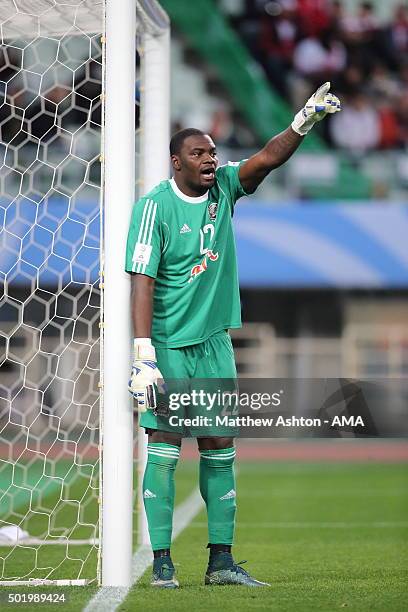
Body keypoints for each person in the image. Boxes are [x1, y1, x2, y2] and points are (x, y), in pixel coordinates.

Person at [126, 83, 341, 589]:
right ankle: (161, 563)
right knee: (165, 443)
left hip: (215, 343)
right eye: (197, 153)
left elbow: (266, 159)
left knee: (221, 444)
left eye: (212, 152)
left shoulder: (224, 186)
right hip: (170, 346)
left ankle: (220, 562)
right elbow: (142, 281)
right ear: (175, 162)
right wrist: (143, 355)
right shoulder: (155, 207)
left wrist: (303, 122)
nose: (209, 159)